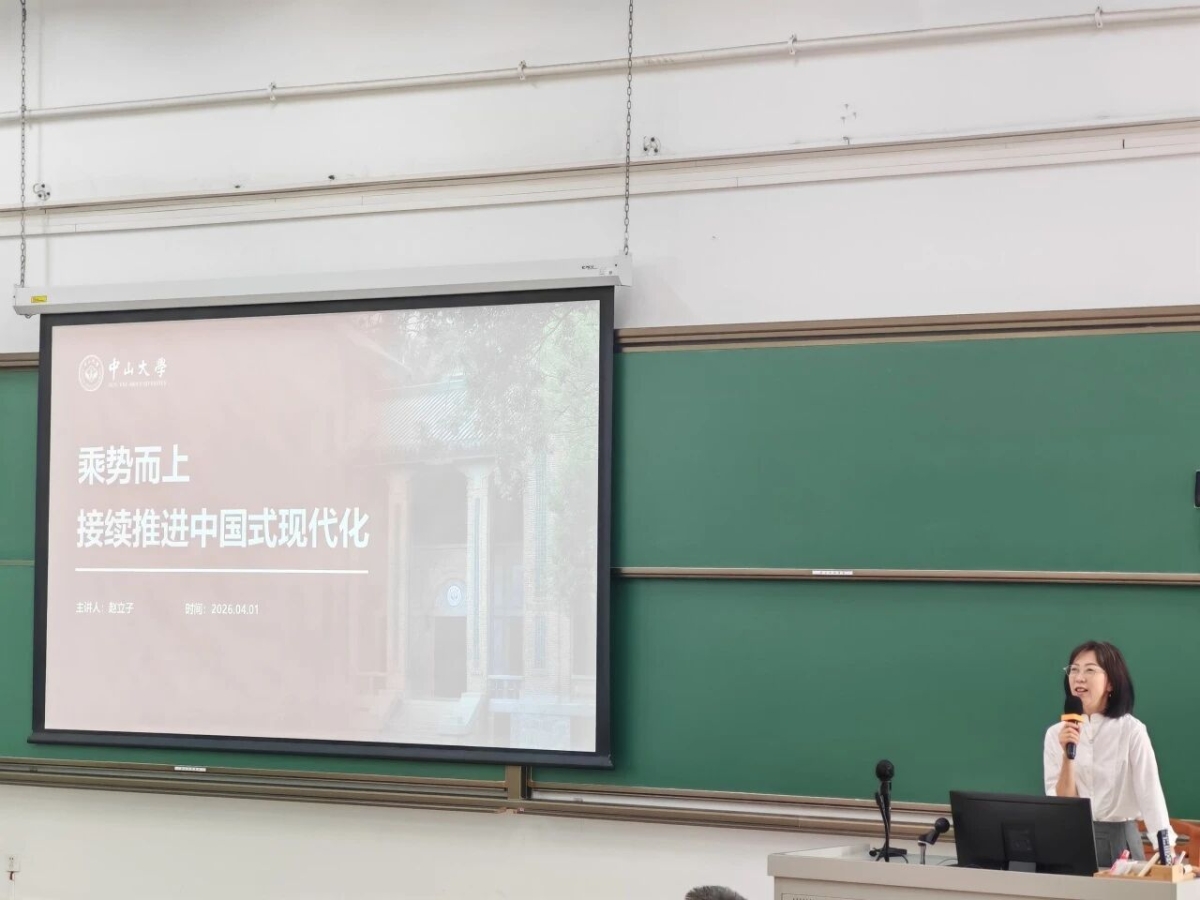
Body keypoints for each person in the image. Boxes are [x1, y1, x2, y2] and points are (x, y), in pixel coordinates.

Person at [1043, 640, 1176, 867]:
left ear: (1111, 683)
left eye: (1089, 670)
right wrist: (1067, 756)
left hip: (1120, 841)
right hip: (1073, 840)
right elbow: (1063, 804)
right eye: (1074, 670)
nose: (1079, 678)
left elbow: (1150, 793)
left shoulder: (1131, 731)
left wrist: (1167, 853)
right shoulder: (1057, 734)